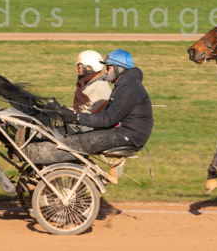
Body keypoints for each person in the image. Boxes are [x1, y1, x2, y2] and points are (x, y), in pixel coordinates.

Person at [25, 49, 153, 165]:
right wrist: (65, 112)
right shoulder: (125, 85)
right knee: (76, 135)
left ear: (119, 69)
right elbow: (104, 115)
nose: (105, 71)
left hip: (129, 136)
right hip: (125, 132)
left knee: (78, 142)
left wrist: (75, 117)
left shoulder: (129, 88)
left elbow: (107, 120)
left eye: (108, 68)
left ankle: (30, 154)